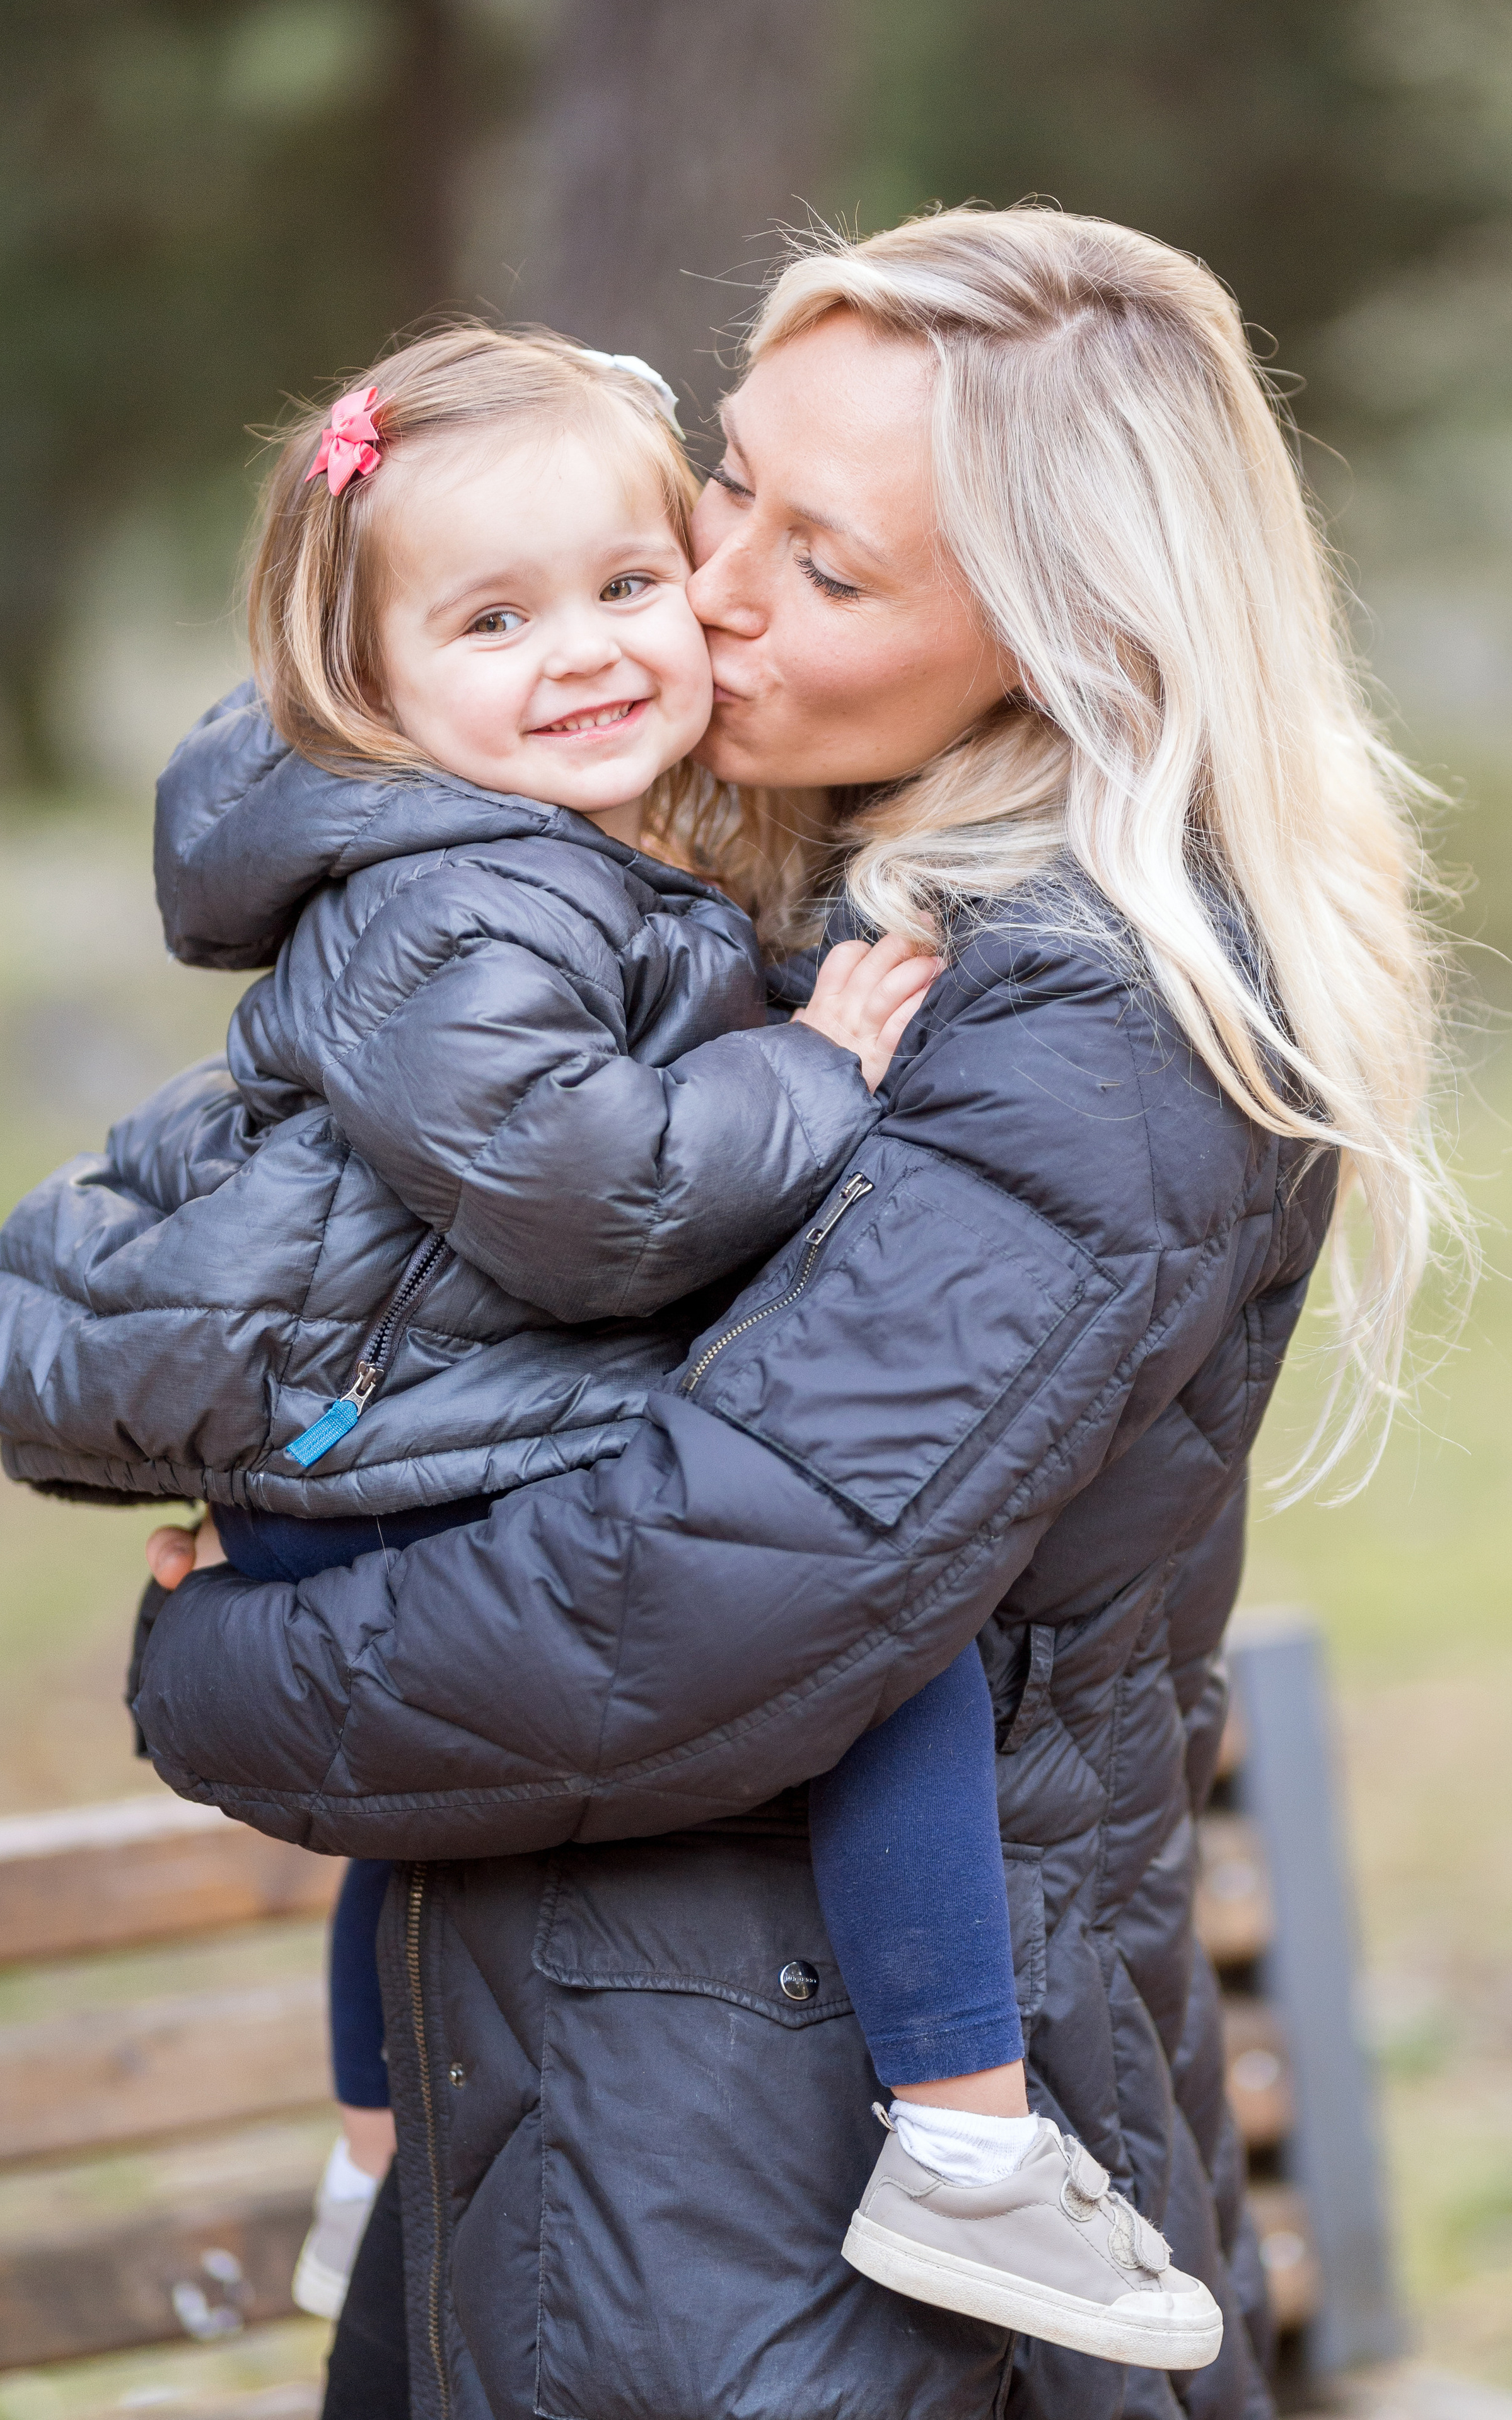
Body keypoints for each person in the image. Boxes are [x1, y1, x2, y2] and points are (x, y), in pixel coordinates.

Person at [128, 202, 1453, 2420]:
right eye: (730, 477)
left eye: (827, 566)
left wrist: (214, 1654)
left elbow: (692, 1619)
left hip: (804, 2221)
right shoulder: (739, 897)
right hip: (597, 2142)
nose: (711, 584)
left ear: (1057, 650)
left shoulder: (1085, 1027)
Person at [0, 319, 1174, 2358]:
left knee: (444, 1813)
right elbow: (591, 1201)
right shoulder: (458, 902)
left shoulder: (537, 848)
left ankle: (368, 2160)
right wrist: (810, 1074)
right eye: (497, 618)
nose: (594, 649)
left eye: (628, 584)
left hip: (406, 1417)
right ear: (373, 690)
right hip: (416, 1428)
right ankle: (968, 2148)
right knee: (891, 1654)